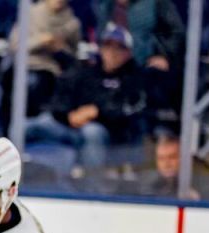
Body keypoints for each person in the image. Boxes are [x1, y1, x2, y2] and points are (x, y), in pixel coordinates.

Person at [25, 23, 146, 169]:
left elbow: (130, 110)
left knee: (92, 132)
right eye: (108, 46)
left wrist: (97, 111)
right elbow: (61, 100)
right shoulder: (86, 72)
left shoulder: (134, 78)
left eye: (119, 47)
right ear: (100, 48)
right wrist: (69, 115)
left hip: (110, 136)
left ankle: (90, 182)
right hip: (70, 127)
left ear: (128, 53)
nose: (112, 52)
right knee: (30, 125)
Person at [5, 0, 80, 117]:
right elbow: (14, 46)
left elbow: (73, 57)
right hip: (23, 65)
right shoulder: (30, 14)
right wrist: (40, 41)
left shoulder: (72, 24)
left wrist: (59, 48)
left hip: (50, 70)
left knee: (38, 82)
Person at [136, 131, 209, 202]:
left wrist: (201, 200)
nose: (166, 164)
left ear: (185, 157)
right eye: (161, 158)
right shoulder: (153, 182)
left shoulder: (207, 178)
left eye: (172, 157)